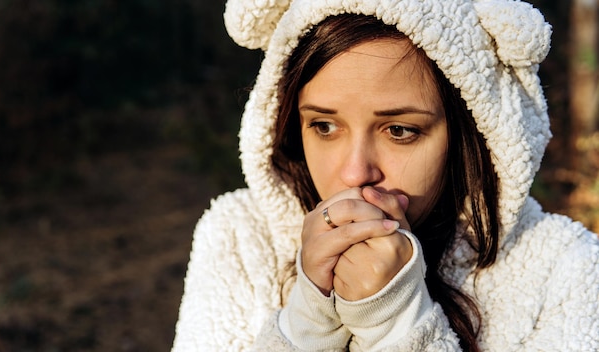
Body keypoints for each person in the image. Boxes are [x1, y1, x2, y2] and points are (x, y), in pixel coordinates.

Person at [172, 0, 599, 351]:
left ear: (473, 131)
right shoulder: (239, 239)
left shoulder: (567, 268)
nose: (355, 172)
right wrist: (305, 325)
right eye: (323, 126)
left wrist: (397, 325)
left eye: (399, 131)